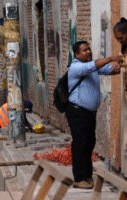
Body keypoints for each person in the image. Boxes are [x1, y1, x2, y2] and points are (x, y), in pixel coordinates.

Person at [65, 41, 123, 189]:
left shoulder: (92, 67)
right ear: (77, 54)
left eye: (89, 49)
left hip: (89, 113)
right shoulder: (76, 67)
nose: (89, 52)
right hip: (77, 112)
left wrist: (117, 66)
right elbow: (95, 65)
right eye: (85, 50)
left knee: (89, 143)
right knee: (80, 144)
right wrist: (111, 58)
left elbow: (109, 70)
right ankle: (79, 178)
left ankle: (87, 176)